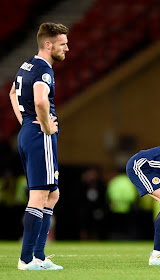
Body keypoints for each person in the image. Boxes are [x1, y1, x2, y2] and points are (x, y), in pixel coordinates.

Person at [9, 22, 69, 270]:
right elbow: (41, 100)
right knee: (39, 195)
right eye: (63, 44)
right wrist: (45, 126)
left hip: (28, 132)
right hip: (39, 135)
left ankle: (40, 256)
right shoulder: (44, 69)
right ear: (48, 44)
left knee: (52, 194)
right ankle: (27, 260)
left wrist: (25, 122)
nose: (67, 48)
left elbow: (13, 93)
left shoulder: (26, 65)